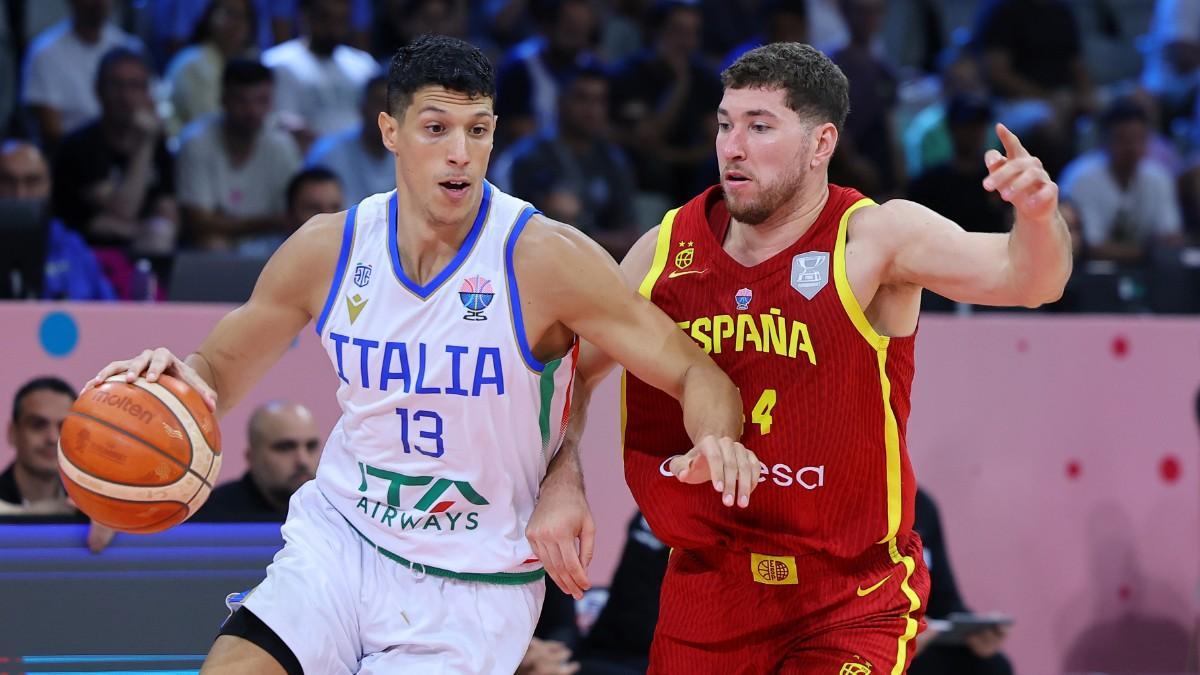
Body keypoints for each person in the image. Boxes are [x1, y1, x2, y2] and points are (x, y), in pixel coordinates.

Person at [83, 35, 756, 674]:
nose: (461, 152)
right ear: (390, 132)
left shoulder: (544, 258)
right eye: (436, 128)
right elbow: (221, 369)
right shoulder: (328, 248)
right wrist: (172, 385)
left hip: (473, 577)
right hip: (343, 541)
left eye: (479, 130)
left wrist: (717, 437)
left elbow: (695, 370)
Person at [562, 42, 1072, 672]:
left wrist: (1038, 216)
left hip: (847, 597)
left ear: (821, 142)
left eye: (760, 126)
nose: (732, 146)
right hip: (708, 589)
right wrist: (564, 479)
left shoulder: (877, 237)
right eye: (725, 124)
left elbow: (1029, 281)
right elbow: (572, 377)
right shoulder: (664, 250)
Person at [176, 59, 303, 252]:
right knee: (212, 241)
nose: (252, 111)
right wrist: (272, 222)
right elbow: (198, 222)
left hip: (272, 244)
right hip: (216, 247)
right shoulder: (196, 141)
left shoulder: (283, 146)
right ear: (223, 99)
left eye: (261, 100)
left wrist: (224, 222)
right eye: (242, 100)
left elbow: (296, 215)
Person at [909, 487, 1013, 675]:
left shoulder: (921, 505)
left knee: (995, 667)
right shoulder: (853, 500)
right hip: (873, 640)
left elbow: (945, 601)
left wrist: (976, 631)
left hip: (923, 639)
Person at [0, 140, 115, 300]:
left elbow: (108, 311)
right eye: (7, 181)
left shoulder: (72, 247)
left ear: (48, 185)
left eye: (32, 181)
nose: (21, 195)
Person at [21, 0, 143, 149]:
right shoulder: (44, 53)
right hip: (69, 158)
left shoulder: (129, 47)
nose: (99, 3)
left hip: (128, 150)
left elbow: (150, 109)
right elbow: (50, 131)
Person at [195, 400, 322, 522]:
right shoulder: (209, 519)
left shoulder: (336, 510)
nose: (303, 460)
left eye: (311, 446)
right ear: (251, 457)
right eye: (285, 447)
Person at [305, 74, 394, 203]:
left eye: (394, 105)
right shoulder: (328, 154)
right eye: (380, 103)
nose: (388, 113)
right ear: (362, 108)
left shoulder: (412, 154)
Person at [1, 377, 75, 511]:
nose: (53, 438)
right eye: (38, 425)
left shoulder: (92, 506)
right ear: (13, 433)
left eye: (64, 426)